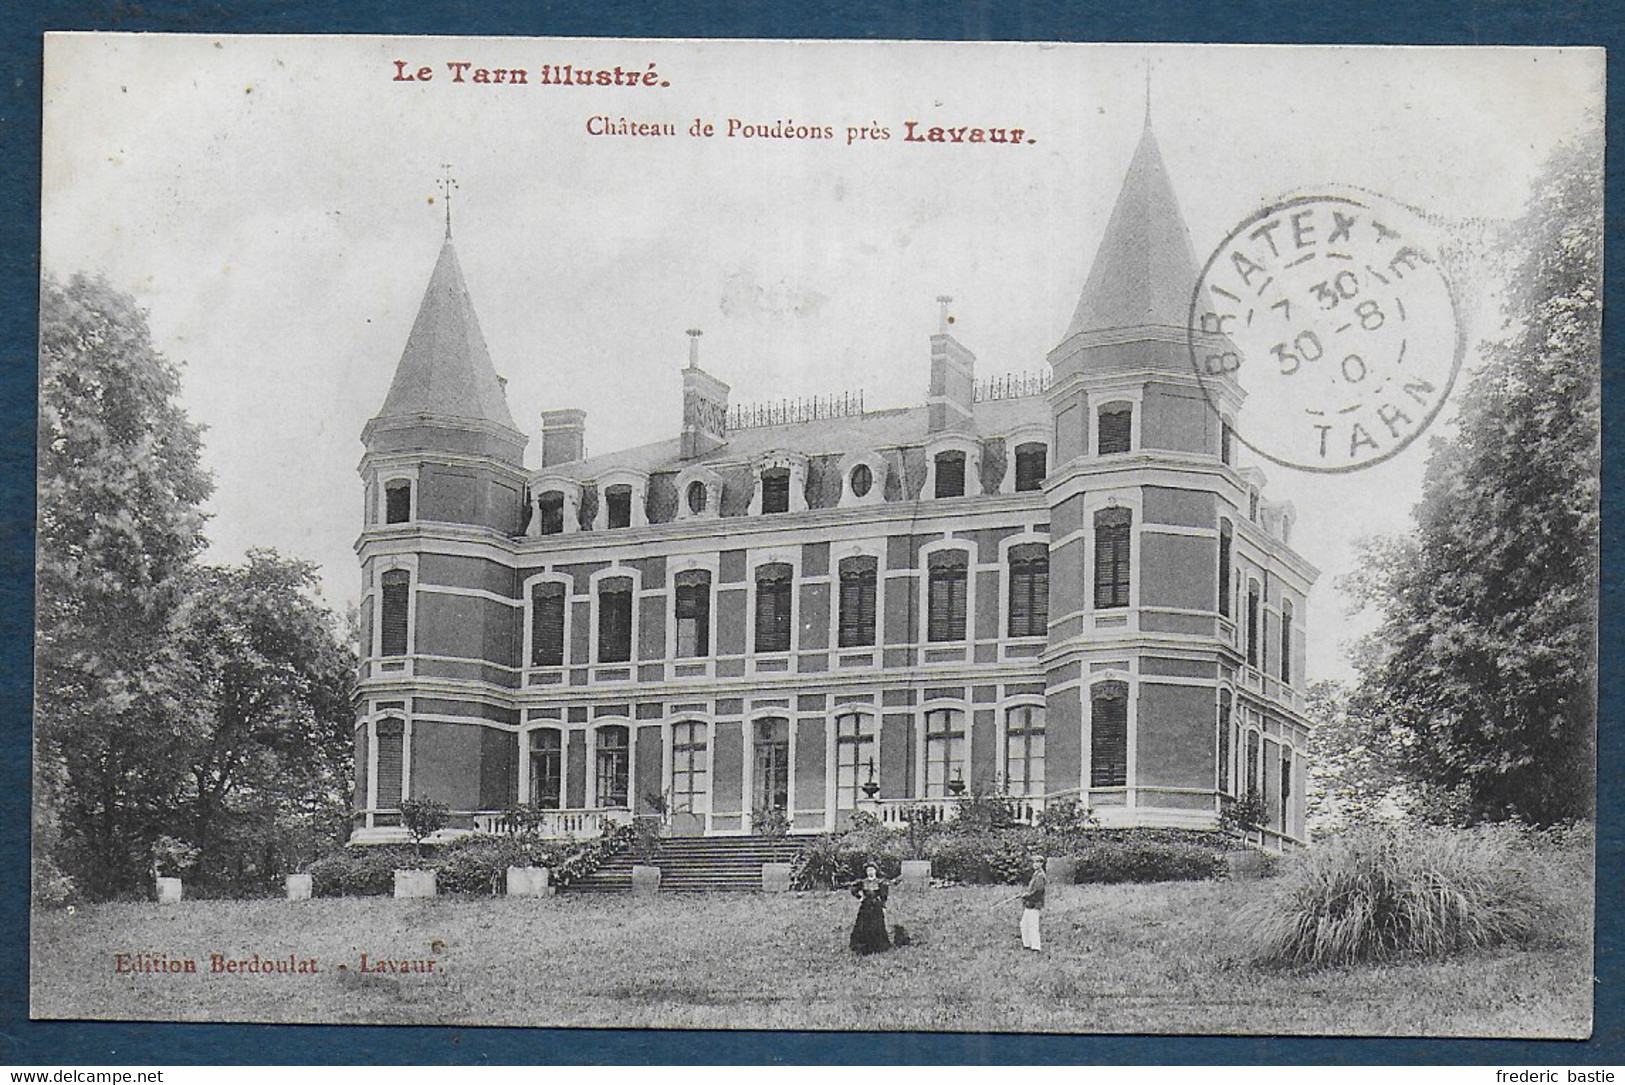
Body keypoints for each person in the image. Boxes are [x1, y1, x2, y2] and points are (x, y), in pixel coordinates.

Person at [848, 863, 892, 954]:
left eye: (872, 870)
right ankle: (863, 945)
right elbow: (853, 889)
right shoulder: (863, 882)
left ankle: (878, 945)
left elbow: (884, 896)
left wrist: (883, 906)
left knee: (877, 924)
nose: (870, 872)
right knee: (863, 924)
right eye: (868, 870)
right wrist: (860, 897)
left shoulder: (880, 882)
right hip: (866, 906)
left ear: (875, 871)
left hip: (876, 906)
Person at [1020, 855, 1047, 952]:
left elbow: (1038, 891)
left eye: (1038, 862)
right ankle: (1027, 945)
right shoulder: (1036, 874)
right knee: (1024, 924)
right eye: (1034, 862)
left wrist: (1027, 895)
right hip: (1030, 904)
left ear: (1041, 864)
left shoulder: (1040, 876)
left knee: (1033, 926)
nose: (1035, 864)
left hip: (1035, 904)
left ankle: (1036, 947)